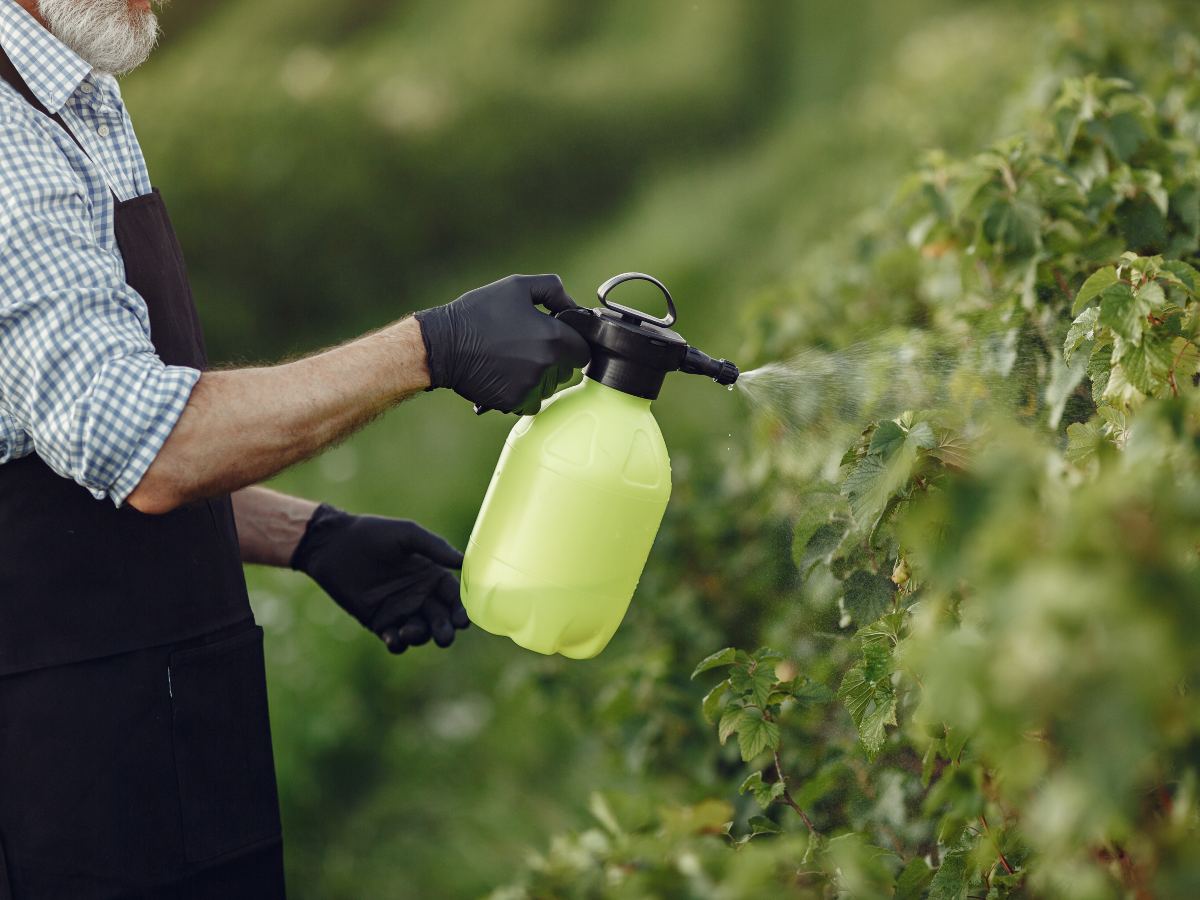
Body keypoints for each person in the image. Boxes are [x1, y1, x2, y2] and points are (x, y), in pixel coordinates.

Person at [0, 0, 591, 895]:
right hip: (64, 778)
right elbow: (152, 446)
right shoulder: (8, 142)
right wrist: (429, 348)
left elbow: (67, 451)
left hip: (159, 730)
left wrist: (309, 535)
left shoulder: (80, 99)